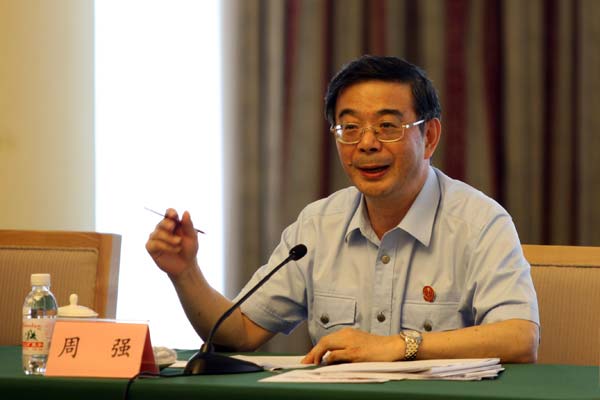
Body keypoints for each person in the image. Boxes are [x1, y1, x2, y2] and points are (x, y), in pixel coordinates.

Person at [146, 55, 540, 364]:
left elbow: (520, 338)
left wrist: (401, 346)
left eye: (387, 126)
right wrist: (186, 273)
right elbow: (241, 332)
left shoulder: (479, 223)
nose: (366, 143)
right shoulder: (318, 226)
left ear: (430, 135)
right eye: (349, 128)